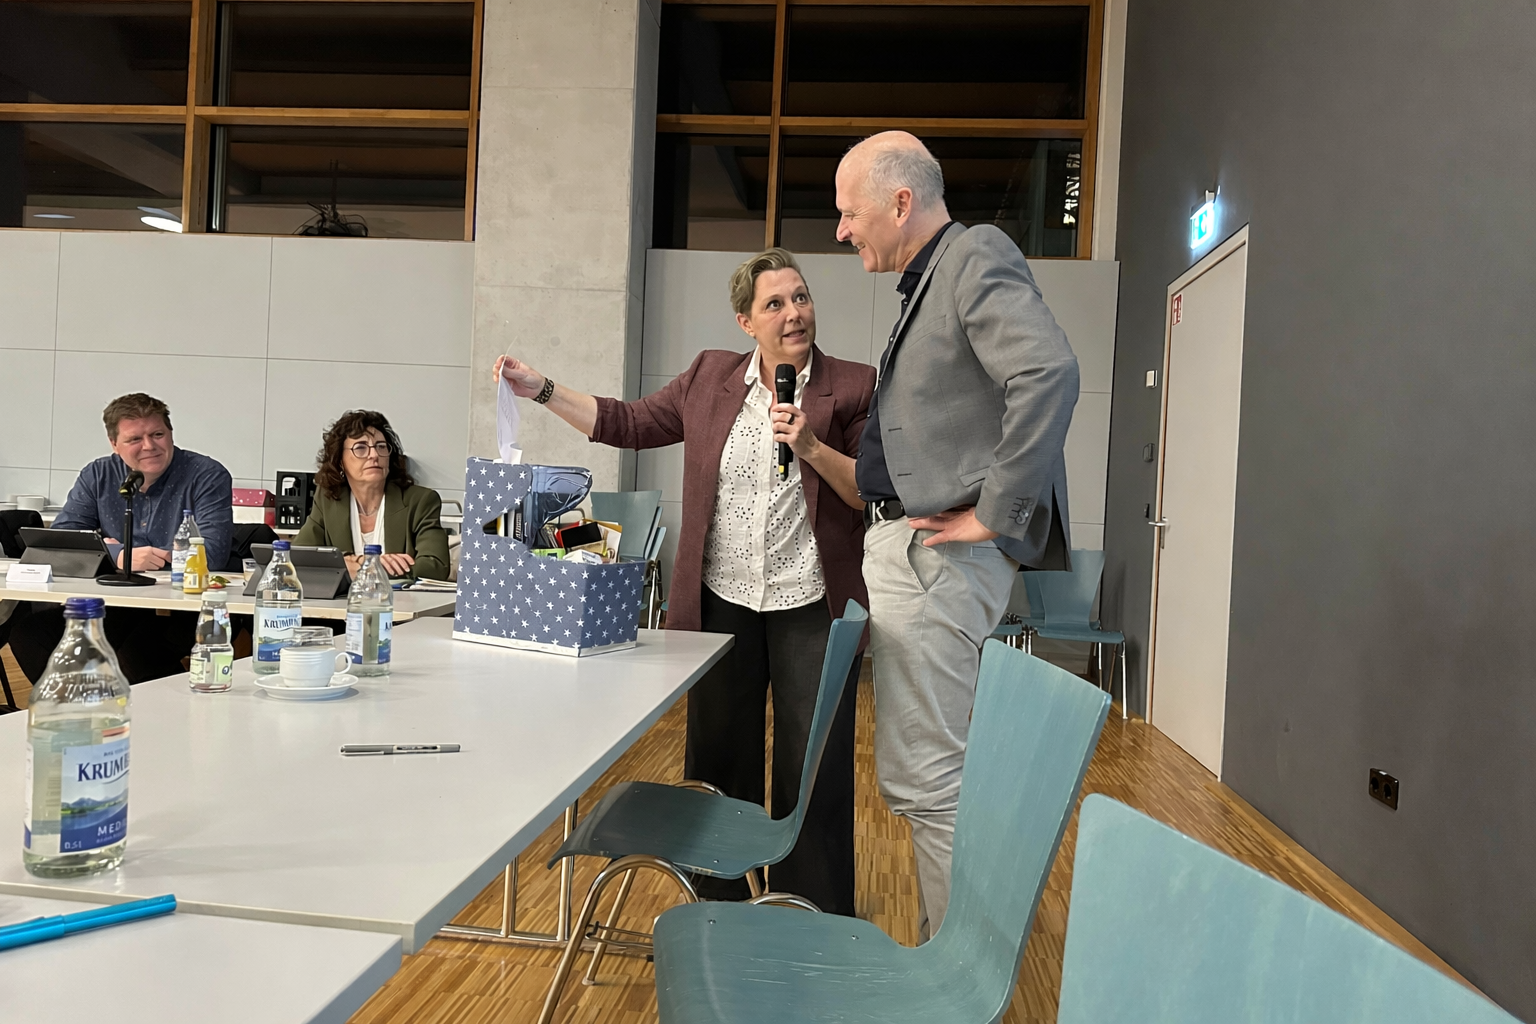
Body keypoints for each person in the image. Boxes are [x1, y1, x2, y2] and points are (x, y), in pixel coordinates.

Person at [495, 248, 874, 916]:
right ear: (745, 321)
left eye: (801, 297)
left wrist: (812, 446)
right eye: (775, 304)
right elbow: (626, 422)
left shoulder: (853, 384)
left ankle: (809, 915)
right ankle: (718, 909)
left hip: (810, 605)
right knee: (718, 760)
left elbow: (869, 492)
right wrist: (542, 389)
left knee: (812, 768)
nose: (794, 313)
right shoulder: (708, 378)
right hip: (722, 602)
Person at [835, 132, 1080, 940]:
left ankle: (957, 970)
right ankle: (956, 951)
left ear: (901, 202)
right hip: (921, 557)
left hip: (937, 557)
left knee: (928, 780)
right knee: (932, 775)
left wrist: (995, 512)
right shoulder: (933, 277)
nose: (842, 229)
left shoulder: (973, 254)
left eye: (851, 212)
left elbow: (1047, 372)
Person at [10, 393, 234, 683]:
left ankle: (150, 710)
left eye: (157, 434)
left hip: (181, 608)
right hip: (118, 603)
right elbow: (61, 544)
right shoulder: (98, 474)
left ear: (170, 433)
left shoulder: (206, 475)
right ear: (114, 444)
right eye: (135, 439)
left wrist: (131, 554)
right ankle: (76, 707)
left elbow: (212, 554)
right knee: (31, 634)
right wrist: (118, 557)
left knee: (136, 655)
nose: (149, 446)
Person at [293, 410, 450, 581]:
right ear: (340, 461)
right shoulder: (328, 499)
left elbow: (436, 566)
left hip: (399, 597)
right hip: (344, 598)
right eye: (360, 448)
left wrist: (367, 567)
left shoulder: (420, 501)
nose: (374, 455)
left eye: (381, 446)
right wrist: (346, 561)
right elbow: (299, 558)